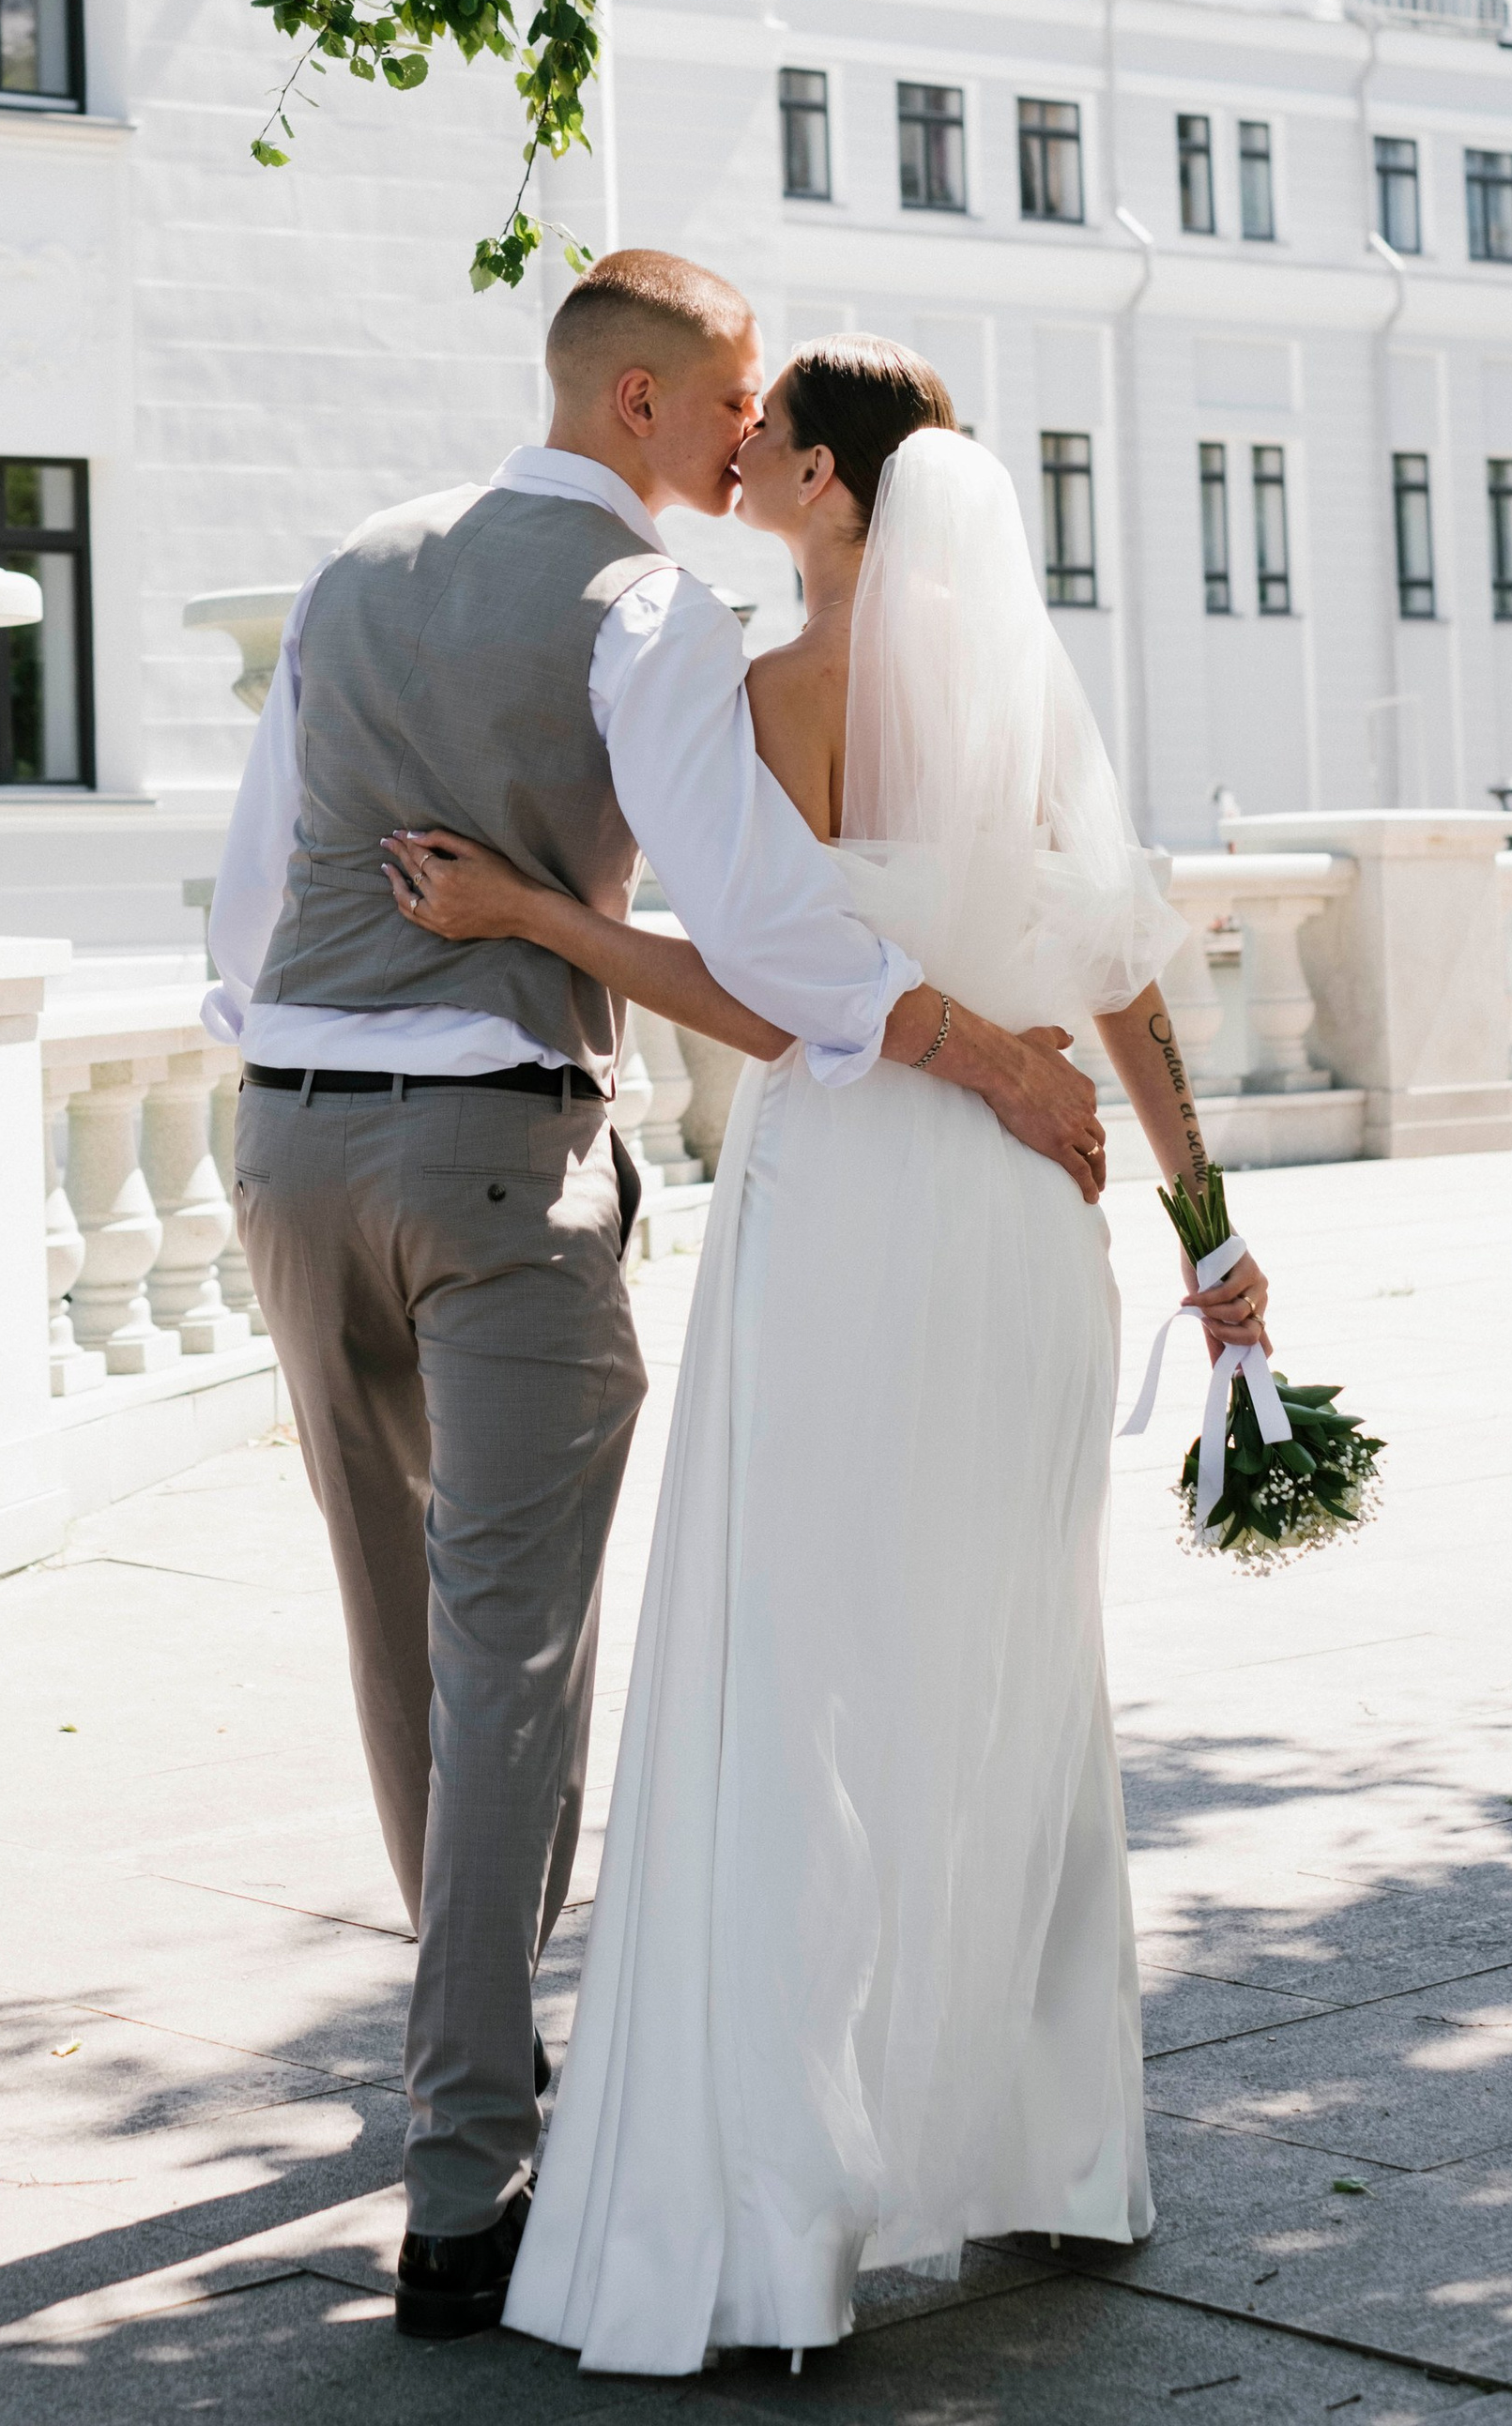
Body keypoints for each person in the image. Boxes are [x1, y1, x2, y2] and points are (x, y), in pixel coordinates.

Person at [204, 260, 1136, 2344]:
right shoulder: (644, 612)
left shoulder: (350, 567)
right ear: (634, 404)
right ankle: (463, 2174)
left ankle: (483, 2049)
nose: (742, 443)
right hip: (489, 1159)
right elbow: (767, 911)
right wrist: (980, 1054)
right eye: (721, 405)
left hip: (288, 1145)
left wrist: (301, 1060)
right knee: (508, 1656)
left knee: (398, 1631)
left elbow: (253, 890)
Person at [380, 336, 1270, 2376]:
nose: (747, 455)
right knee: (1014, 1668)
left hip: (858, 1205)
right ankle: (1050, 2151)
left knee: (795, 1681)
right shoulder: (1025, 700)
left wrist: (528, 907)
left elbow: (761, 990)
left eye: (775, 438)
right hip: (1027, 1233)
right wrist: (1207, 1235)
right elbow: (1127, 1003)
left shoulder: (753, 691)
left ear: (833, 487)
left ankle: (780, 2229)